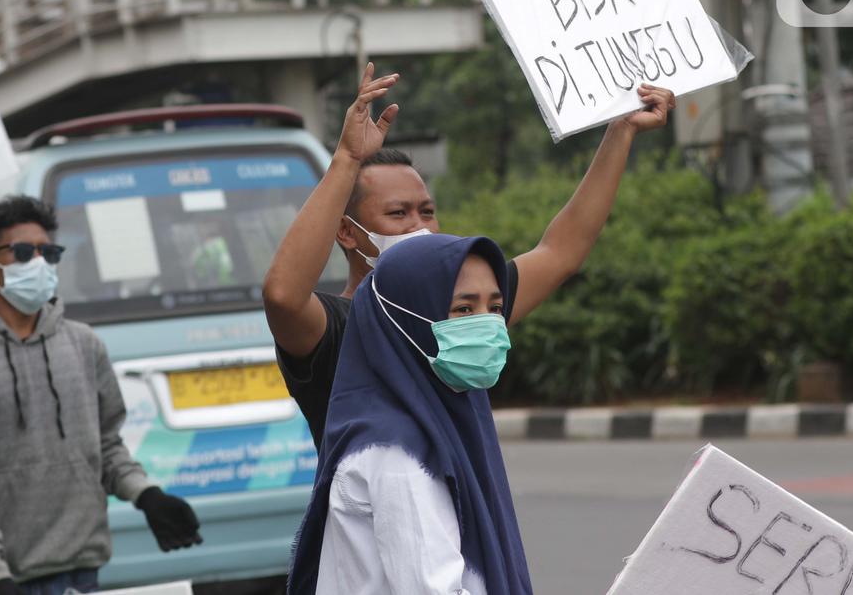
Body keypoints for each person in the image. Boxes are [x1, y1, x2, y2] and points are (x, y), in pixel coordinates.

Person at [262, 63, 676, 447]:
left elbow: (560, 251)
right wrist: (347, 160)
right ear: (348, 233)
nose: (419, 226)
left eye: (427, 211)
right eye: (397, 214)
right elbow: (283, 296)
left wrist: (621, 131)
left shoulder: (462, 306)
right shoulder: (335, 329)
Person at [0, 195, 203, 595]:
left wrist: (146, 494)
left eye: (47, 252)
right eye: (21, 252)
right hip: (1, 582)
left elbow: (106, 444)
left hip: (82, 569)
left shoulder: (84, 345)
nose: (38, 263)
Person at [288, 233, 532, 595]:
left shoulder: (446, 418)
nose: (487, 325)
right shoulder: (396, 452)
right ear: (406, 321)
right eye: (464, 309)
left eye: (495, 308)